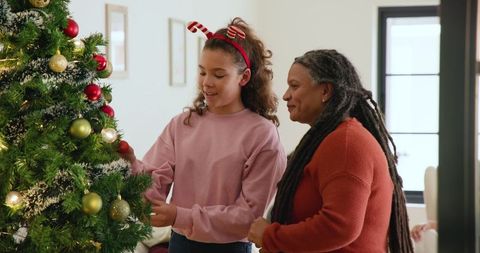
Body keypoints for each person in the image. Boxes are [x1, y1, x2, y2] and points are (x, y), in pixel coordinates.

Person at [121, 17, 286, 253]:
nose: (206, 83)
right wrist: (131, 165)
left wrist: (181, 216)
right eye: (202, 72)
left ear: (244, 77)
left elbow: (248, 215)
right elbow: (153, 187)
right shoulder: (183, 125)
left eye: (219, 75)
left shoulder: (262, 135)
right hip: (179, 244)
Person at [247, 49, 414, 253]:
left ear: (325, 91)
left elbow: (340, 226)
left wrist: (271, 237)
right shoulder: (332, 139)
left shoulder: (345, 144)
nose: (285, 95)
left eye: (295, 86)